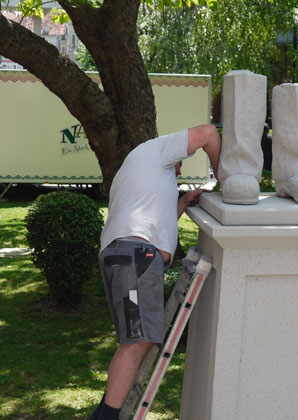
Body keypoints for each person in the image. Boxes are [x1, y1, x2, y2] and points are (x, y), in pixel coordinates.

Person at [90, 124, 221, 420]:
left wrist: (183, 204)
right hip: (136, 256)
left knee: (139, 340)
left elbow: (155, 221)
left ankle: (106, 408)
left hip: (127, 255)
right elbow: (209, 134)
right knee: (136, 342)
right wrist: (224, 175)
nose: (179, 173)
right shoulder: (157, 149)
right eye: (180, 165)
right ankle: (107, 417)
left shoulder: (137, 169)